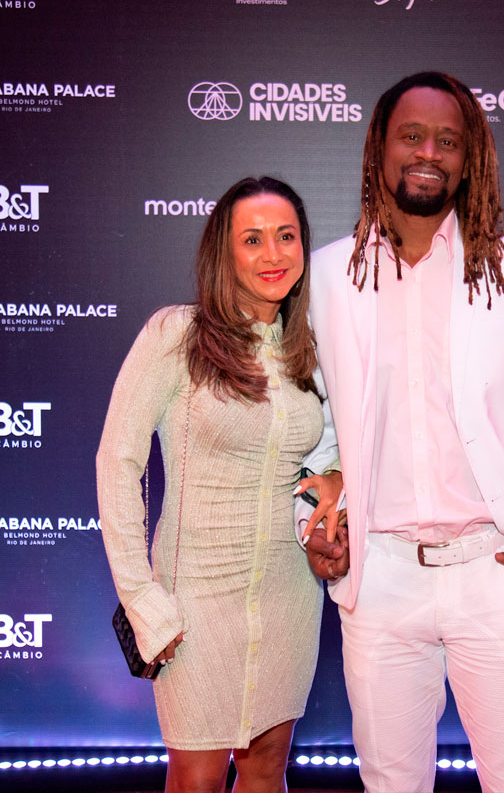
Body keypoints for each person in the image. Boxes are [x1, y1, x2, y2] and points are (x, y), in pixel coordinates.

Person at [303, 72, 504, 793]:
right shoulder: (328, 276)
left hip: (495, 571)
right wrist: (310, 524)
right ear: (380, 148)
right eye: (411, 135)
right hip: (379, 580)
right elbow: (312, 431)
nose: (428, 152)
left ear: (470, 161)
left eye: (448, 141)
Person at [97, 176, 342, 793]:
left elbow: (322, 456)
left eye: (286, 236)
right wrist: (141, 598)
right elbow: (117, 461)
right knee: (197, 778)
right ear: (223, 252)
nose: (272, 253)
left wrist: (331, 480)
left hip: (289, 592)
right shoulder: (176, 335)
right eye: (252, 239)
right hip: (195, 600)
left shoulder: (310, 351)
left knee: (266, 770)